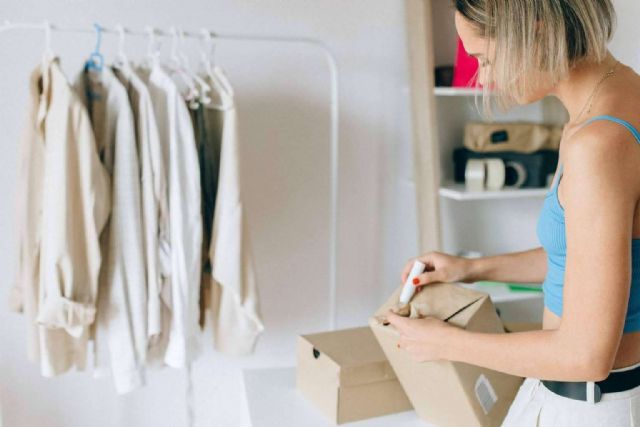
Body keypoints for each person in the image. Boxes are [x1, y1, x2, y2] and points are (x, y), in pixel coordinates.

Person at [385, 0, 640, 425]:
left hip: (589, 405)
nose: (484, 78)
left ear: (534, 33)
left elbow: (585, 356)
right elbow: (585, 260)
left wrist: (445, 343)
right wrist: (471, 268)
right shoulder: (618, 98)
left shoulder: (599, 142)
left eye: (484, 59)